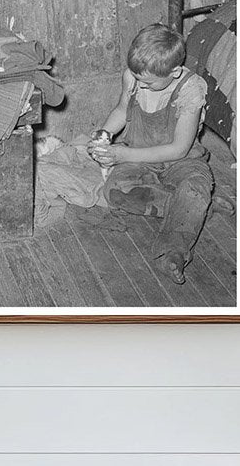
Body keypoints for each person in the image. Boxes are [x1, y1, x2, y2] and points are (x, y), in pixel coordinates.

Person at [88, 23, 222, 285]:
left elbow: (179, 148)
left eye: (147, 82)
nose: (140, 85)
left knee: (194, 185)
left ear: (174, 72)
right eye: (137, 78)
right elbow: (120, 111)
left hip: (182, 161)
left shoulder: (191, 88)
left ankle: (172, 252)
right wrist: (104, 134)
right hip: (140, 157)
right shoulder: (133, 77)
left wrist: (123, 156)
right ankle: (193, 207)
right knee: (114, 192)